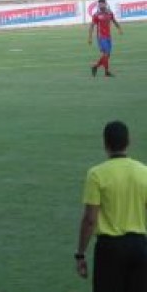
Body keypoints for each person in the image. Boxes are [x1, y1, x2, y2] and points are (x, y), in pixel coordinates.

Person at [75, 121, 147, 291]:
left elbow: (90, 220)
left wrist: (80, 254)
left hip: (110, 249)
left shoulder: (97, 174)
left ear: (105, 143)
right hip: (139, 246)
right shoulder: (144, 172)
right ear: (129, 142)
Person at [89, 0, 122, 77]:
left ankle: (96, 67)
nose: (100, 5)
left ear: (105, 4)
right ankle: (106, 72)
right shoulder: (96, 15)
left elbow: (114, 21)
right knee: (106, 54)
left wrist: (119, 28)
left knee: (107, 55)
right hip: (101, 37)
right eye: (99, 4)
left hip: (108, 37)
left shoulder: (110, 13)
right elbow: (92, 26)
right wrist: (90, 37)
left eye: (102, 4)